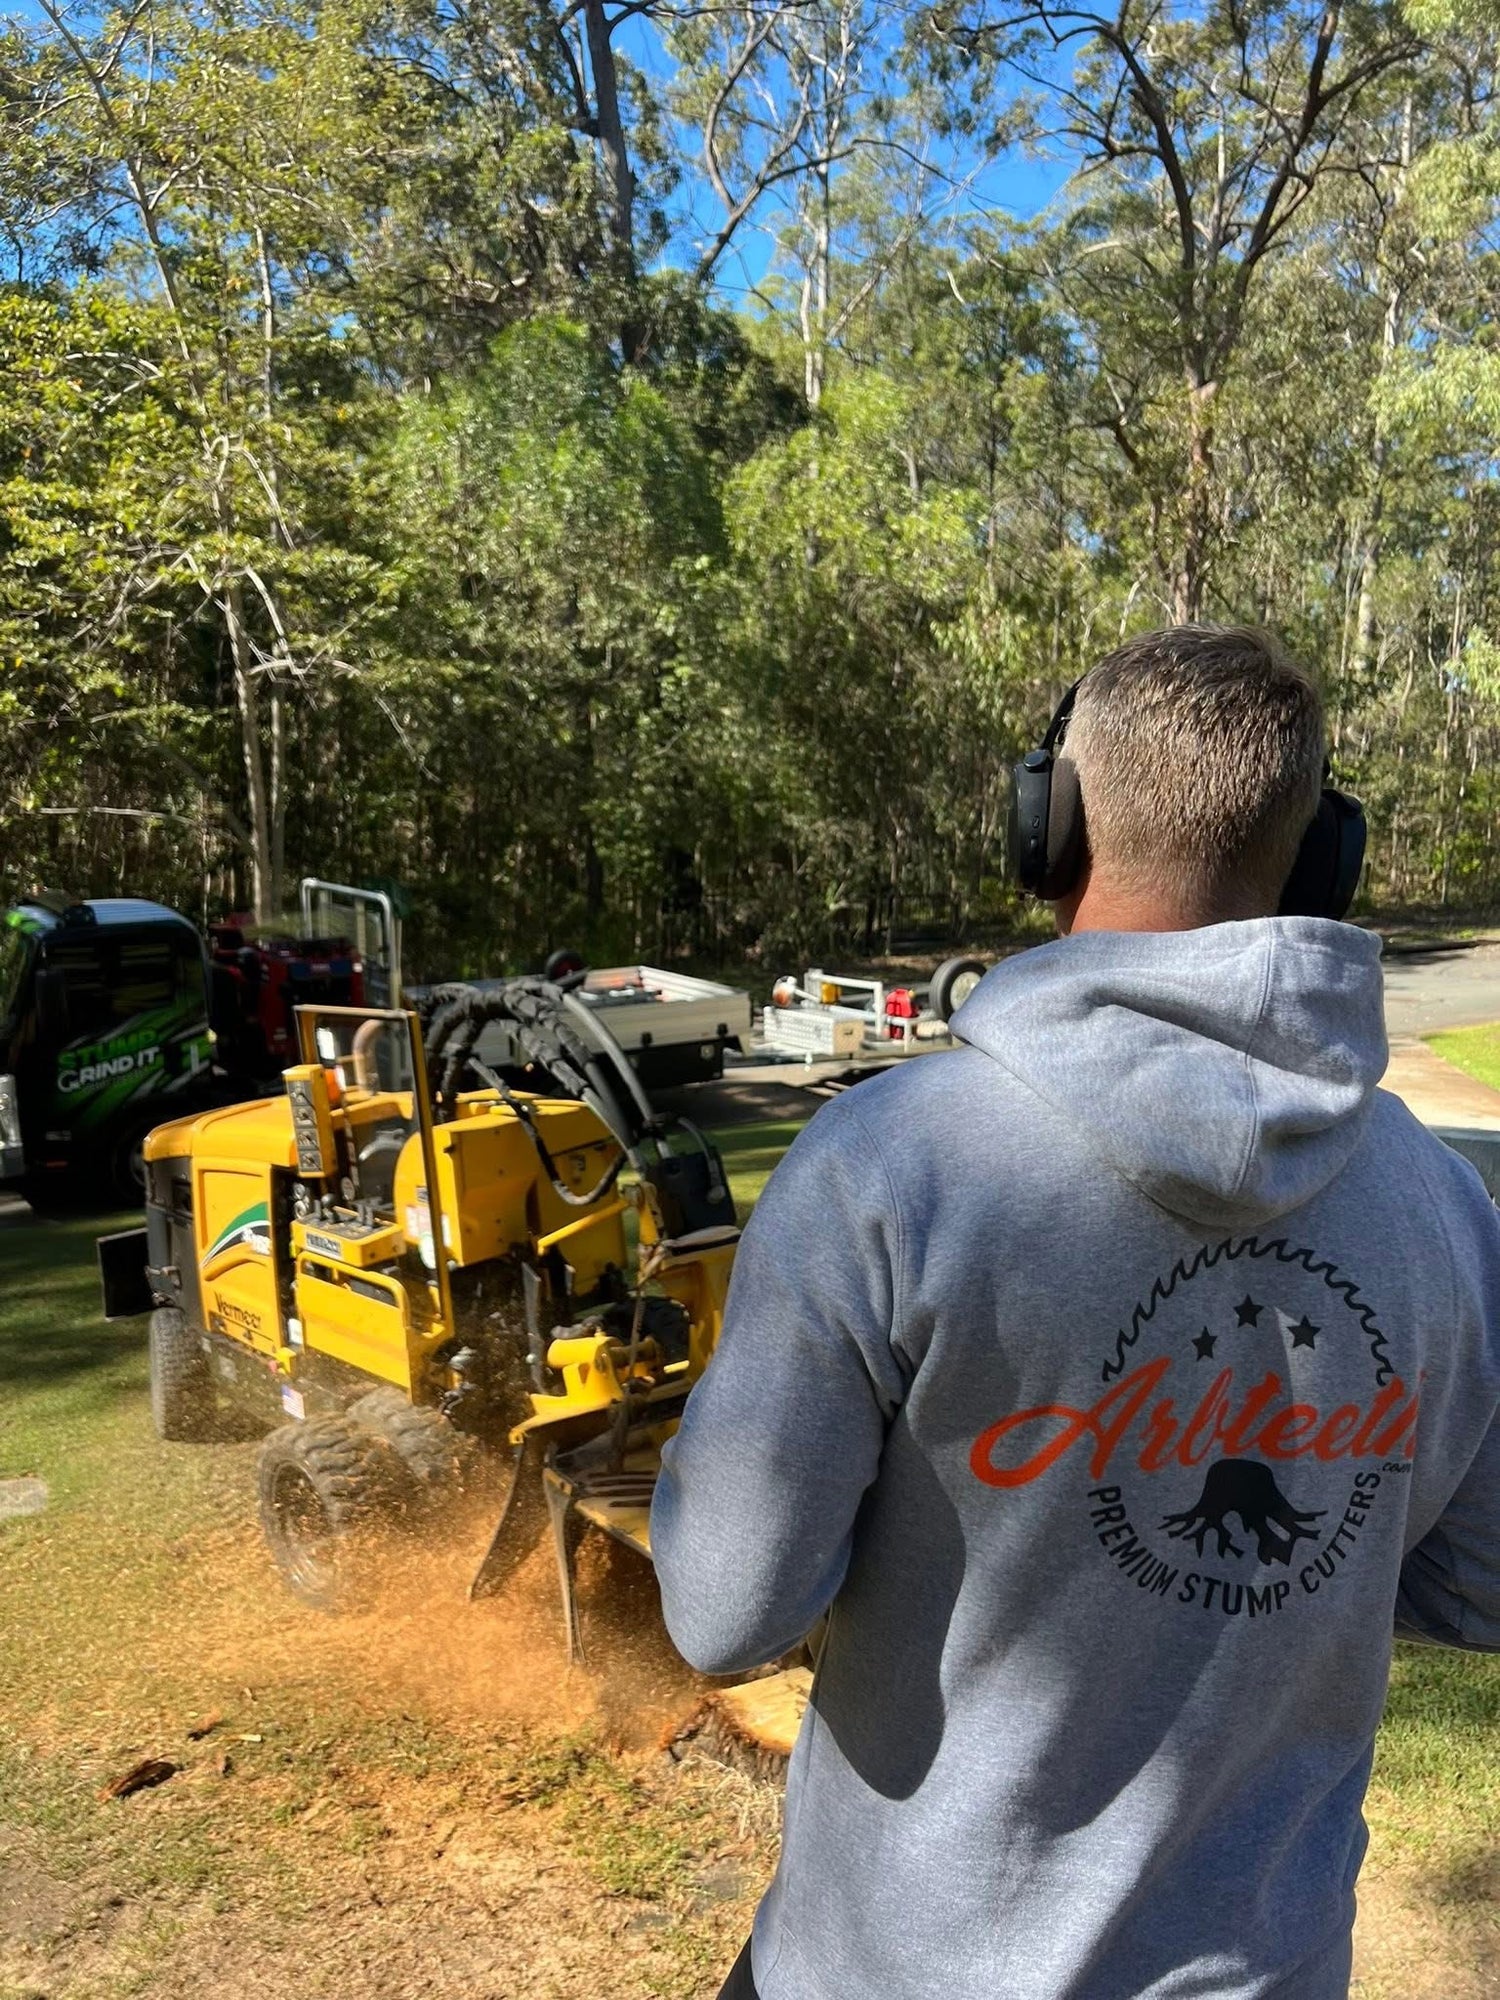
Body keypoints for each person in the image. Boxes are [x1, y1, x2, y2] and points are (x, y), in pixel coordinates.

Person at [649, 625, 1500, 2000]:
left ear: (1046, 829)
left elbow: (722, 1610)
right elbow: (1479, 1582)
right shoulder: (1445, 1212)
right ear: (1321, 858)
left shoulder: (886, 1166)